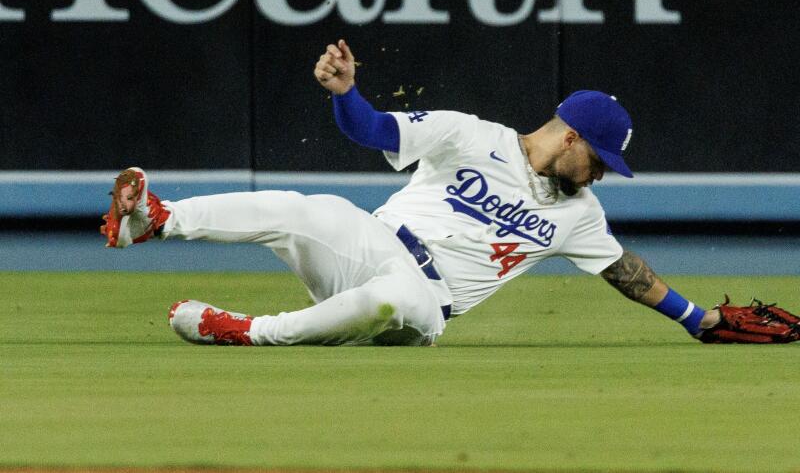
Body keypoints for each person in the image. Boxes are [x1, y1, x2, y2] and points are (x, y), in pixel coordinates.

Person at [101, 39, 722, 346]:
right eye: (600, 158)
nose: (603, 173)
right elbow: (372, 130)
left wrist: (699, 320)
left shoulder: (581, 214)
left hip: (428, 301)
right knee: (305, 209)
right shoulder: (472, 136)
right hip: (372, 243)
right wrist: (346, 94)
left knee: (394, 298)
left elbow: (627, 272)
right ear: (570, 138)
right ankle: (158, 218)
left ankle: (250, 330)